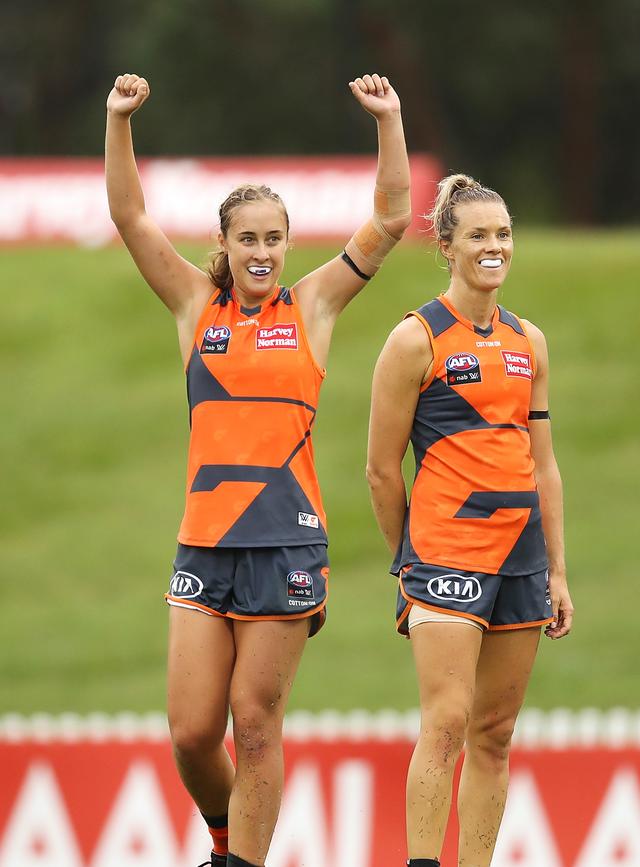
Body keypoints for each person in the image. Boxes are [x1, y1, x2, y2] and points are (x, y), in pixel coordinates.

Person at [105, 72, 410, 867]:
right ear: (227, 244)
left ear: (287, 245)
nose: (264, 252)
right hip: (203, 543)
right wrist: (119, 121)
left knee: (255, 718)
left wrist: (389, 120)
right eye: (249, 239)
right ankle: (222, 839)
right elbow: (130, 215)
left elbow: (391, 217)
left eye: (276, 238)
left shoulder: (312, 306)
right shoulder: (191, 307)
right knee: (191, 729)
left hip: (287, 543)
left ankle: (241, 864)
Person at [366, 174, 573, 867]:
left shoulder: (530, 342)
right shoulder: (413, 339)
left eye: (504, 233)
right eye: (479, 235)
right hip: (446, 554)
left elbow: (544, 466)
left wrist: (558, 571)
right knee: (447, 720)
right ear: (446, 246)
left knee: (495, 732)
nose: (495, 246)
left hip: (523, 556)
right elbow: (380, 468)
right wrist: (410, 556)